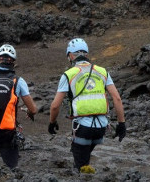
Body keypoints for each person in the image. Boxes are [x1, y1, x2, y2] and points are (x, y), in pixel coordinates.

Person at [48, 38, 126, 175]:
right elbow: (117, 98)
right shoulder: (102, 71)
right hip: (101, 127)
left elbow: (55, 106)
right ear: (86, 54)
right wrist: (121, 124)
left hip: (83, 127)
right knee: (83, 156)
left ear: (70, 56)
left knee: (81, 166)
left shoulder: (69, 74)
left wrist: (52, 122)